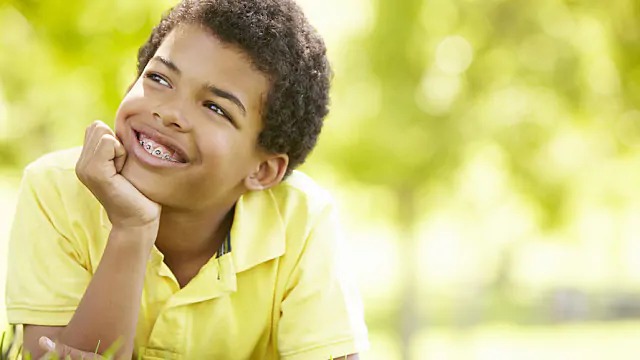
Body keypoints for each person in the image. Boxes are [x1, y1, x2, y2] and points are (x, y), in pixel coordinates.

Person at [5, 0, 369, 358]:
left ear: (262, 170)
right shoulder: (56, 189)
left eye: (215, 108)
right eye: (160, 78)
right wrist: (132, 228)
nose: (168, 112)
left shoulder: (301, 221)